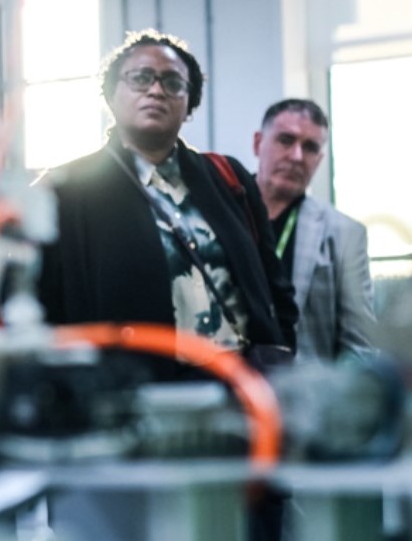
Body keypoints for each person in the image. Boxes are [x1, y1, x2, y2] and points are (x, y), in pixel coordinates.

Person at [36, 29, 298, 541]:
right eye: (141, 78)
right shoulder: (67, 190)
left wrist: (281, 346)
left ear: (190, 104)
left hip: (239, 401)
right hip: (135, 411)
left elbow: (273, 283)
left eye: (173, 83)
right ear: (112, 94)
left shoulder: (227, 178)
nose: (157, 90)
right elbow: (44, 310)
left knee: (248, 526)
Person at [253, 98, 376, 361]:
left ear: (318, 160)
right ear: (257, 144)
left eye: (310, 147)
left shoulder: (345, 234)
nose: (296, 156)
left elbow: (359, 347)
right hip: (228, 388)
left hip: (306, 392)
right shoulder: (220, 216)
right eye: (286, 140)